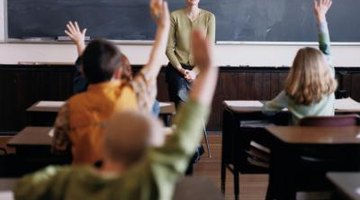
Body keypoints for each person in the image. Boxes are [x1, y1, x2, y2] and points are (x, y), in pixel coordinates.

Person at [14, 29, 219, 200]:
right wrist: (207, 70)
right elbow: (183, 138)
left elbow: (50, 160)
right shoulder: (149, 182)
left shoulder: (69, 180)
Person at [52, 0, 170, 165]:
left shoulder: (70, 107)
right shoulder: (134, 96)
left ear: (83, 71)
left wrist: (80, 43)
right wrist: (163, 26)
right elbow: (154, 64)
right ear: (118, 71)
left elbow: (59, 148)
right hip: (127, 183)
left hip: (86, 184)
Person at [262, 0, 337, 125]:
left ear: (296, 68)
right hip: (328, 143)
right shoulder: (329, 80)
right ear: (322, 66)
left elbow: (267, 110)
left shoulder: (290, 94)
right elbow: (326, 47)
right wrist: (321, 16)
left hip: (299, 144)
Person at [66, 22, 161, 116]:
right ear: (118, 73)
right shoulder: (142, 102)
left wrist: (80, 43)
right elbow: (151, 69)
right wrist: (163, 28)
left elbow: (84, 73)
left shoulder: (77, 104)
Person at [166, 0, 215, 107]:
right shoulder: (174, 16)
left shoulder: (209, 17)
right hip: (177, 70)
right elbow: (168, 48)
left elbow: (209, 50)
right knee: (180, 107)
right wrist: (181, 70)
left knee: (197, 110)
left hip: (199, 70)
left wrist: (194, 72)